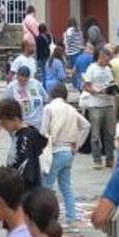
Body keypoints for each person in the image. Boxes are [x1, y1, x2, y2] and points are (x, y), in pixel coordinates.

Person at [40, 85, 90, 222]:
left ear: (51, 94)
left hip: (55, 150)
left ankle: (48, 218)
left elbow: (43, 132)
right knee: (66, 187)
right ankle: (71, 218)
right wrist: (78, 144)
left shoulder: (49, 108)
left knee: (47, 187)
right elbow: (86, 125)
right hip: (68, 151)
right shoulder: (71, 109)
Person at [0, 98, 48, 190]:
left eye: (4, 122)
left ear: (15, 119)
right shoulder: (20, 134)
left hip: (25, 191)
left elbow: (26, 170)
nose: (2, 125)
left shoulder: (25, 138)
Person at [81, 48, 118, 168]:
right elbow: (85, 86)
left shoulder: (109, 69)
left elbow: (112, 83)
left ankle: (109, 158)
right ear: (101, 57)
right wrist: (95, 91)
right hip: (95, 104)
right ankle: (97, 159)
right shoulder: (92, 68)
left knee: (110, 133)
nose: (108, 60)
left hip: (108, 103)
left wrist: (112, 91)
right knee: (95, 133)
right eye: (107, 58)